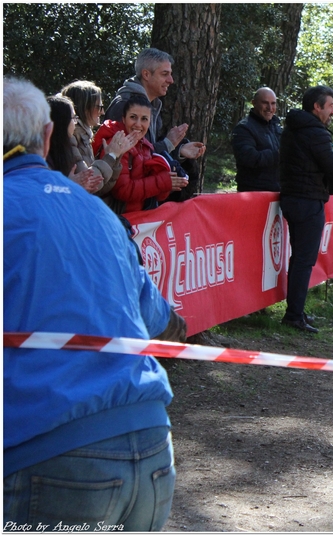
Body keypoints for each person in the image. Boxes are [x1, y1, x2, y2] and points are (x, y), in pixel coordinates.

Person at [3, 76, 186, 528]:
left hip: (49, 453)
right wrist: (179, 328)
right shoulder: (98, 212)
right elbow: (157, 316)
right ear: (48, 138)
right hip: (150, 445)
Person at [279, 85, 333, 333]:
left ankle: (297, 311)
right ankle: (293, 315)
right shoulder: (317, 133)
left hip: (292, 198)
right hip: (308, 201)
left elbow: (316, 162)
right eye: (330, 106)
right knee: (304, 260)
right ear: (317, 106)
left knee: (300, 259)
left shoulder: (293, 129)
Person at [105, 48, 205, 201]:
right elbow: (132, 159)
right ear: (146, 74)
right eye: (164, 74)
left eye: (170, 74)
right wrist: (169, 143)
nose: (171, 80)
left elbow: (149, 148)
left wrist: (179, 150)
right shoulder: (124, 106)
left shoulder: (153, 105)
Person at [93, 94, 188, 213]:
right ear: (123, 119)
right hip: (118, 218)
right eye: (133, 117)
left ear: (150, 122)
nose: (138, 124)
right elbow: (123, 191)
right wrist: (162, 182)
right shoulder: (116, 144)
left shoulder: (145, 145)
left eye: (144, 119)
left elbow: (154, 193)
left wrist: (168, 184)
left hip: (139, 216)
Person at [61, 80, 138, 208]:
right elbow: (89, 183)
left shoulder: (84, 136)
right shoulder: (71, 137)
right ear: (85, 108)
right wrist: (111, 156)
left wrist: (116, 157)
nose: (102, 112)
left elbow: (100, 186)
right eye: (99, 107)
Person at [45, 95, 100, 193]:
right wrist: (68, 185)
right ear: (62, 121)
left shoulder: (63, 149)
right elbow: (44, 193)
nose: (75, 123)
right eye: (73, 118)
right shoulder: (43, 156)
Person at [231, 87, 282, 192]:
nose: (270, 108)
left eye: (273, 103)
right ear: (254, 103)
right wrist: (279, 154)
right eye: (265, 103)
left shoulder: (276, 126)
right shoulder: (244, 128)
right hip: (253, 192)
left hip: (277, 192)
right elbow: (249, 158)